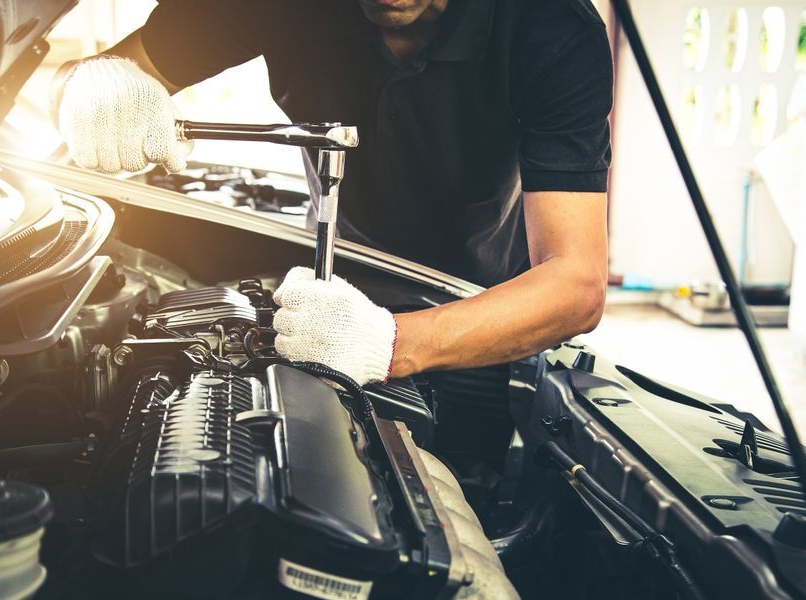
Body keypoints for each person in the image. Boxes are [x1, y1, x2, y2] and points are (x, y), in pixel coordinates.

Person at [55, 0, 613, 469]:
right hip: (337, 267)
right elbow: (93, 74)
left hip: (479, 302)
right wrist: (93, 89)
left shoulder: (552, 27)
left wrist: (391, 343)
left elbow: (575, 285)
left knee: (461, 478)